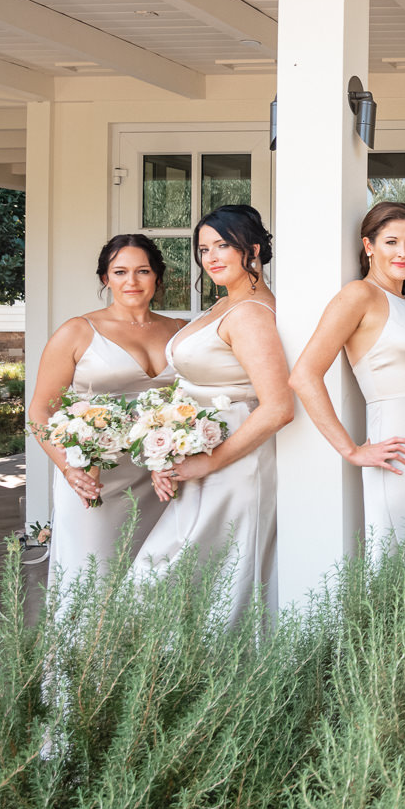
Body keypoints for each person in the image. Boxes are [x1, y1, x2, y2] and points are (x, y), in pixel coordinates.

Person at [288, 202, 405, 570]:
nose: (403, 253)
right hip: (400, 451)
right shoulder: (358, 295)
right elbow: (304, 375)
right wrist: (350, 449)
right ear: (369, 246)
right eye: (391, 242)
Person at [132, 205, 292, 626]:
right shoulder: (224, 304)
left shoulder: (252, 314)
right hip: (201, 454)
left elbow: (278, 407)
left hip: (233, 466)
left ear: (252, 249)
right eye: (204, 249)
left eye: (223, 245)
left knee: (207, 577)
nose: (211, 257)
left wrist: (209, 462)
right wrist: (166, 451)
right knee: (189, 575)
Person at [28, 234, 181, 593]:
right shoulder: (77, 331)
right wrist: (69, 468)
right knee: (93, 578)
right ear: (105, 278)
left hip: (160, 476)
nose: (132, 281)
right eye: (120, 272)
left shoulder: (178, 330)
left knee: (156, 580)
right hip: (96, 477)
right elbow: (40, 409)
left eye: (143, 271)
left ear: (157, 276)